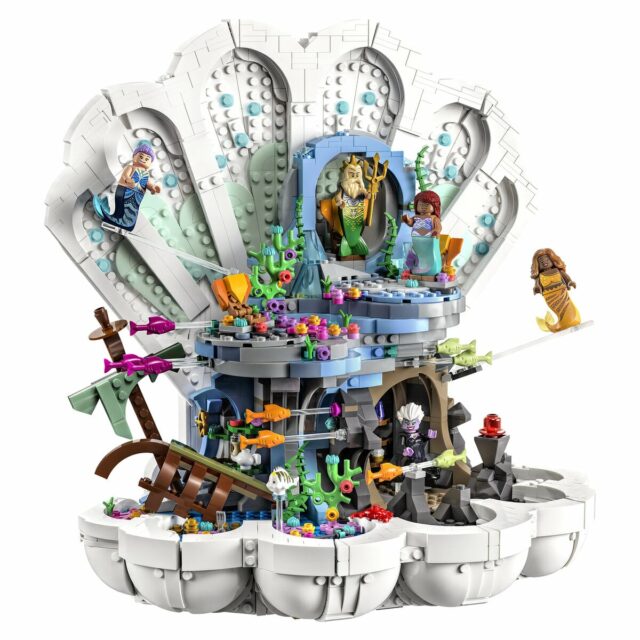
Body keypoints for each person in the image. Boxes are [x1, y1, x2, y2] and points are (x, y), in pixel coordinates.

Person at [93, 141, 161, 231]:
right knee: (122, 207)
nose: (144, 159)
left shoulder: (146, 174)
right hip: (125, 191)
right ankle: (117, 220)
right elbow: (125, 176)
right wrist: (129, 180)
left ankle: (127, 224)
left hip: (137, 196)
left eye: (147, 159)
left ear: (150, 163)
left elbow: (148, 183)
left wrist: (153, 188)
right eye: (141, 156)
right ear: (134, 157)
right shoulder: (131, 167)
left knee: (132, 210)